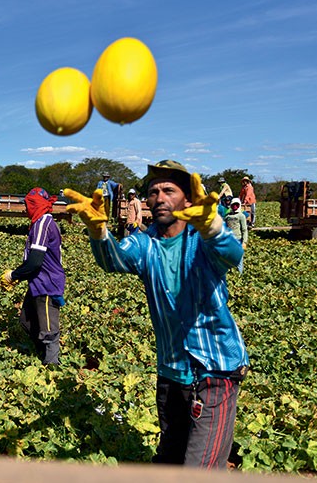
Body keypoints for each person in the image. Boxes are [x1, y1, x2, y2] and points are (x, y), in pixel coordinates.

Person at [64, 160, 249, 469]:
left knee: (199, 468)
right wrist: (98, 232)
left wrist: (213, 228)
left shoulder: (201, 241)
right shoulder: (145, 244)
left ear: (188, 200)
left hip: (215, 371)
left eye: (169, 190)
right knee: (169, 461)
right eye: (153, 192)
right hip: (172, 373)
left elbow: (232, 253)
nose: (159, 198)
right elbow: (116, 259)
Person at [1, 188, 65, 365]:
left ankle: (52, 366)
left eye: (28, 205)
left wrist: (13, 275)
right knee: (27, 321)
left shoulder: (43, 223)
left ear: (35, 205)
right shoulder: (39, 222)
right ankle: (39, 353)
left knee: (49, 329)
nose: (25, 209)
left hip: (47, 283)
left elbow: (35, 262)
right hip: (38, 281)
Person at [225, 198, 248, 273]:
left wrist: (244, 242)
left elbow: (244, 230)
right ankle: (231, 272)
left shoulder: (241, 216)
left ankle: (240, 273)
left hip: (238, 239)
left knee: (239, 258)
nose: (234, 206)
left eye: (236, 205)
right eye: (233, 205)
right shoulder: (227, 216)